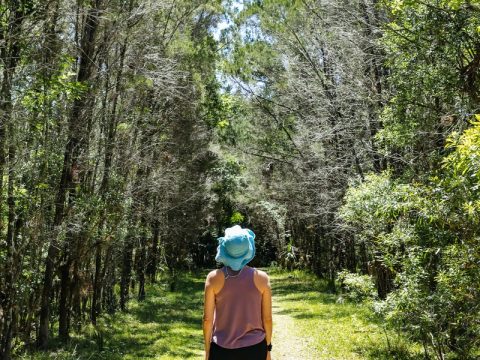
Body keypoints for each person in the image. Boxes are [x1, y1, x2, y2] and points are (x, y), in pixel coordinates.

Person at [203, 225, 273, 360]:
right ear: (248, 250)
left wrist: (207, 350)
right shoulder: (262, 278)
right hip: (255, 348)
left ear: (224, 250)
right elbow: (267, 319)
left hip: (222, 349)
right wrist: (268, 348)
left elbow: (207, 320)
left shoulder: (213, 278)